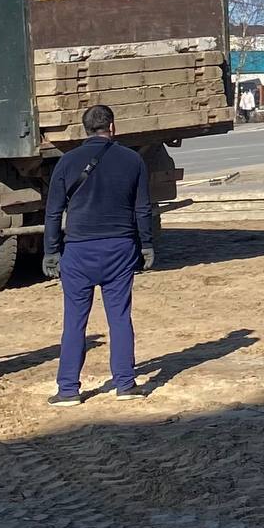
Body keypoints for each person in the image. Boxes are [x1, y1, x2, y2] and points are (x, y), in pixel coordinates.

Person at [43, 104, 155, 407]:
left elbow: (53, 212)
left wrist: (51, 251)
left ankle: (68, 390)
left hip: (78, 250)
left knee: (74, 320)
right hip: (119, 247)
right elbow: (142, 208)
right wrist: (146, 244)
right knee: (119, 317)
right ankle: (125, 384)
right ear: (112, 127)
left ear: (84, 129)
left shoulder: (67, 162)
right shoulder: (133, 160)